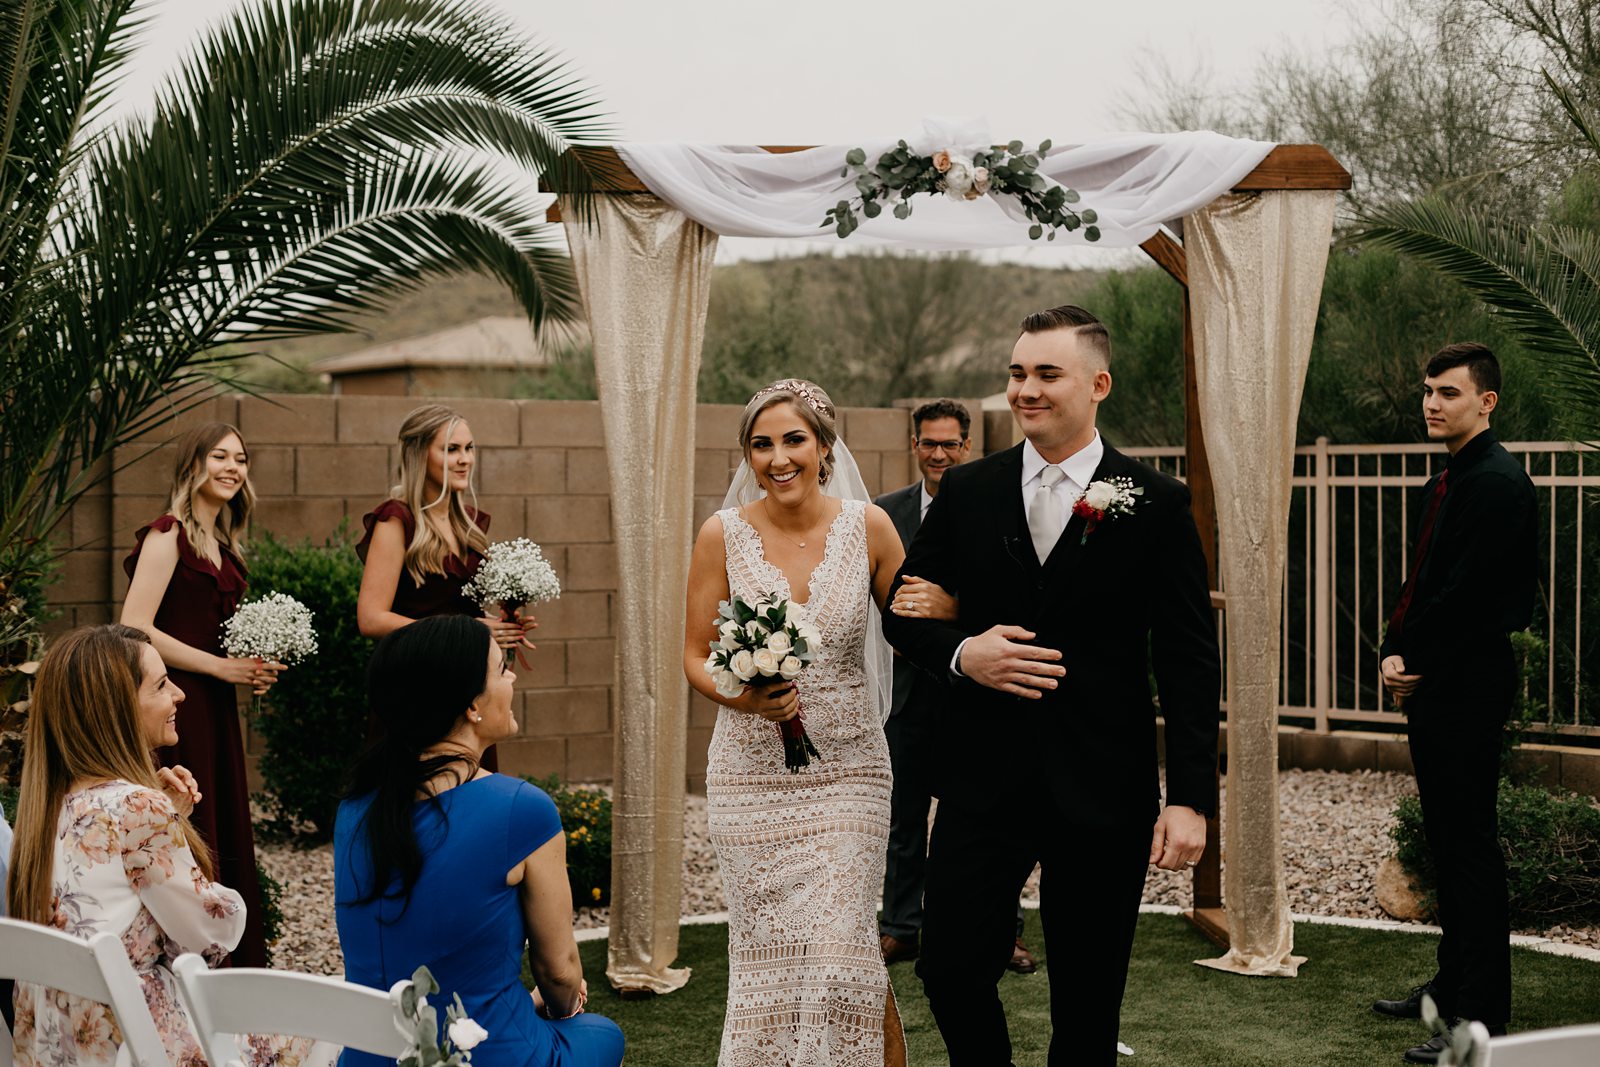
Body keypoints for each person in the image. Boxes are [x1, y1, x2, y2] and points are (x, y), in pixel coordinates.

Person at [881, 306, 1221, 1066]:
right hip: (983, 779)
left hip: (1103, 784)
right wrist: (967, 650)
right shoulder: (969, 490)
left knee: (1089, 1000)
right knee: (950, 967)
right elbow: (904, 613)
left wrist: (1192, 795)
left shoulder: (1154, 502)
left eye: (1045, 373)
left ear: (1098, 383)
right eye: (1016, 374)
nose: (1025, 389)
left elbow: (1190, 658)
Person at [681, 378, 909, 1066]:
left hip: (850, 768)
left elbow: (917, 620)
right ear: (747, 456)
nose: (778, 458)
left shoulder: (869, 527)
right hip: (751, 776)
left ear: (826, 446)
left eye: (793, 440)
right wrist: (747, 698)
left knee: (840, 951)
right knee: (775, 965)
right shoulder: (722, 535)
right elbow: (694, 654)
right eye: (761, 444)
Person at [334, 616, 623, 1067]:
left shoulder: (354, 810)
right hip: (485, 1055)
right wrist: (564, 1012)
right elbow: (558, 971)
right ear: (471, 704)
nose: (511, 676)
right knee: (602, 1035)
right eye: (501, 666)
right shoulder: (520, 808)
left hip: (373, 1057)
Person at [1372, 342, 1536, 1065]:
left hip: (1466, 681)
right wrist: (1395, 650)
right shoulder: (1455, 476)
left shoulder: (1497, 482)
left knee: (1468, 846)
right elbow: (1422, 589)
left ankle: (1481, 1013)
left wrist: (1419, 662)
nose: (1432, 403)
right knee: (1447, 838)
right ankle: (1449, 981)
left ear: (1486, 401)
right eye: (1428, 391)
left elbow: (1471, 599)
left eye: (1447, 392)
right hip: (1438, 678)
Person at [6, 624, 248, 1066]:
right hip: (136, 1044)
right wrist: (163, 820)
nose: (179, 694)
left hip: (53, 1047)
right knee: (315, 1037)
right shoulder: (138, 809)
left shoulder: (45, 810)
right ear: (115, 710)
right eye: (160, 685)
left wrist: (165, 820)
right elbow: (210, 938)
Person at [875, 398, 1037, 974]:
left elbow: (1017, 600)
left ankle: (1005, 933)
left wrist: (954, 609)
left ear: (968, 446)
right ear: (914, 446)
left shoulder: (1003, 506)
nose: (939, 453)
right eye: (928, 443)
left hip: (981, 693)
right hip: (910, 694)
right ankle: (900, 927)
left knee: (999, 814)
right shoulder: (885, 513)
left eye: (950, 443)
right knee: (904, 816)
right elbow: (885, 606)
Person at [121, 421, 278, 967]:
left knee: (220, 818)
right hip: (175, 702)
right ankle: (183, 964)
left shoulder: (224, 546)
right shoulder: (169, 535)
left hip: (215, 706)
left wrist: (247, 667)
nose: (233, 467)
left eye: (241, 458)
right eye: (220, 456)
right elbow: (135, 624)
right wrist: (219, 666)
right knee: (187, 824)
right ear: (194, 465)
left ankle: (231, 965)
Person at [356, 404, 536, 774]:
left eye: (469, 449)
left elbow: (455, 608)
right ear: (421, 454)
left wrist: (499, 626)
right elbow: (371, 618)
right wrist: (464, 631)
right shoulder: (397, 519)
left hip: (468, 683)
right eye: (451, 449)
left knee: (472, 794)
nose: (464, 460)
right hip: (416, 681)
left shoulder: (468, 523)